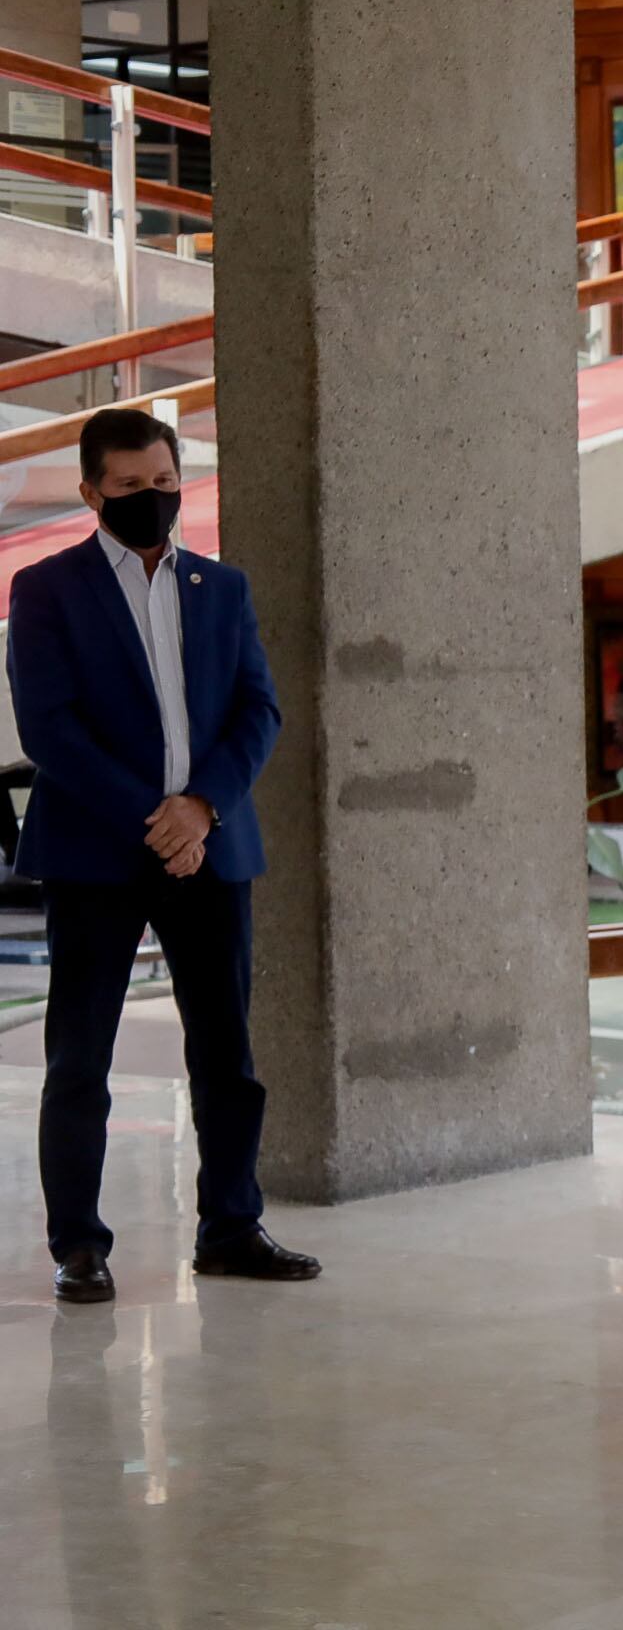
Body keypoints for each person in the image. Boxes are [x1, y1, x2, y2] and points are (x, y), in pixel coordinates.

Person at [8, 407, 309, 1302]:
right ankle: (78, 1245)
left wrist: (201, 809)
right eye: (131, 485)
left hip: (212, 848)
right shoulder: (45, 589)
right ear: (91, 490)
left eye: (166, 482)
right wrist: (159, 820)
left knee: (228, 1056)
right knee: (79, 1059)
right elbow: (49, 729)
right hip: (97, 856)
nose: (153, 497)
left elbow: (258, 710)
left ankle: (232, 1227)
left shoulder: (223, 587)